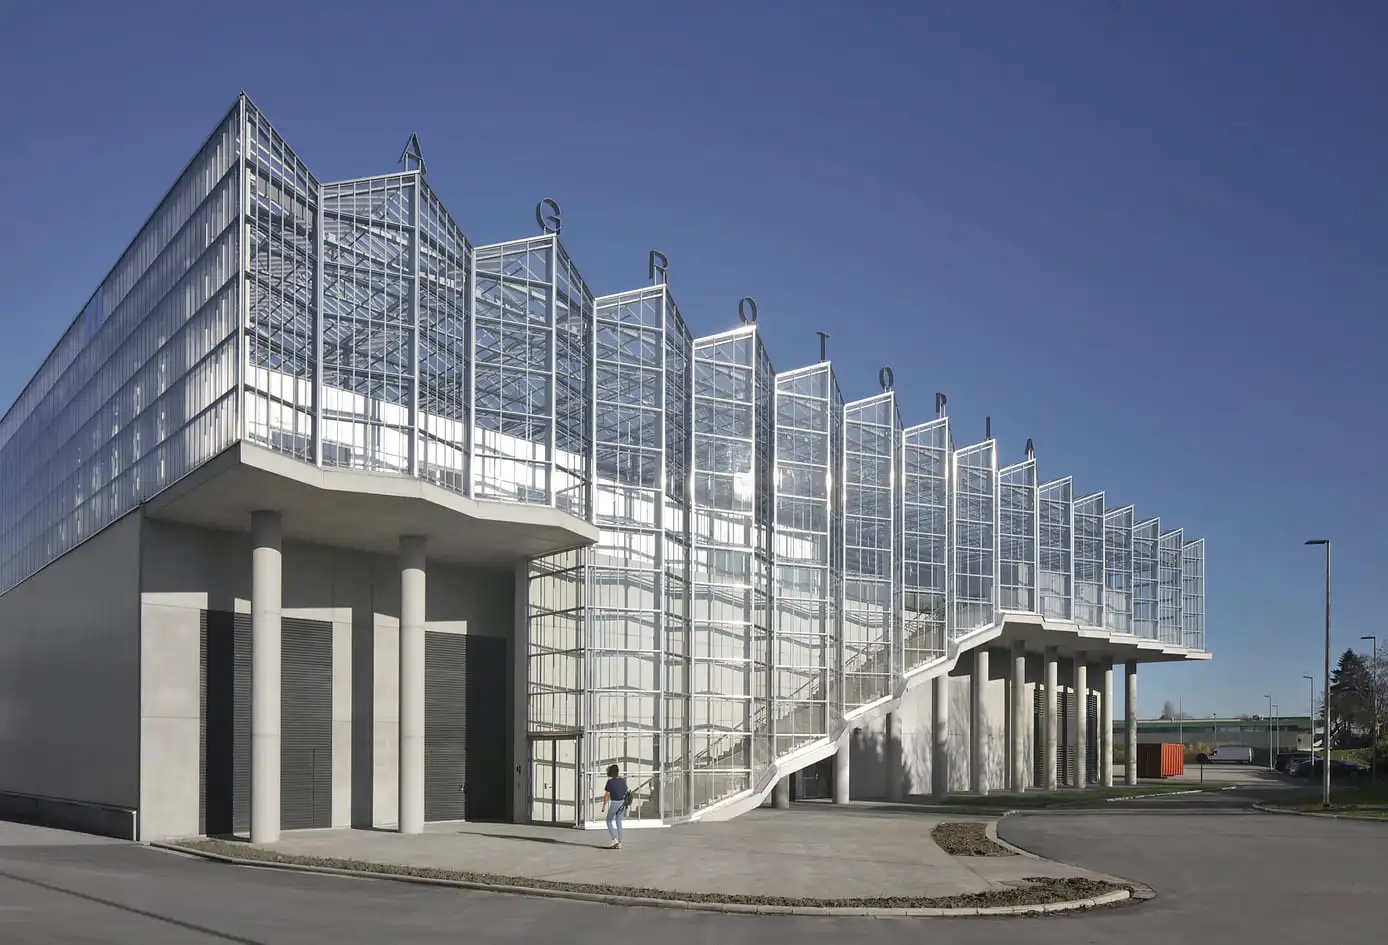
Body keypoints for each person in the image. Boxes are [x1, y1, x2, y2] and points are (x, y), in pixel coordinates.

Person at [602, 764, 628, 849]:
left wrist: (604, 806)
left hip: (615, 803)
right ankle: (620, 842)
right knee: (619, 822)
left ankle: (614, 839)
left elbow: (607, 795)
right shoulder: (622, 780)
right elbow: (625, 791)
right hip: (622, 802)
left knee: (608, 820)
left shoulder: (610, 782)